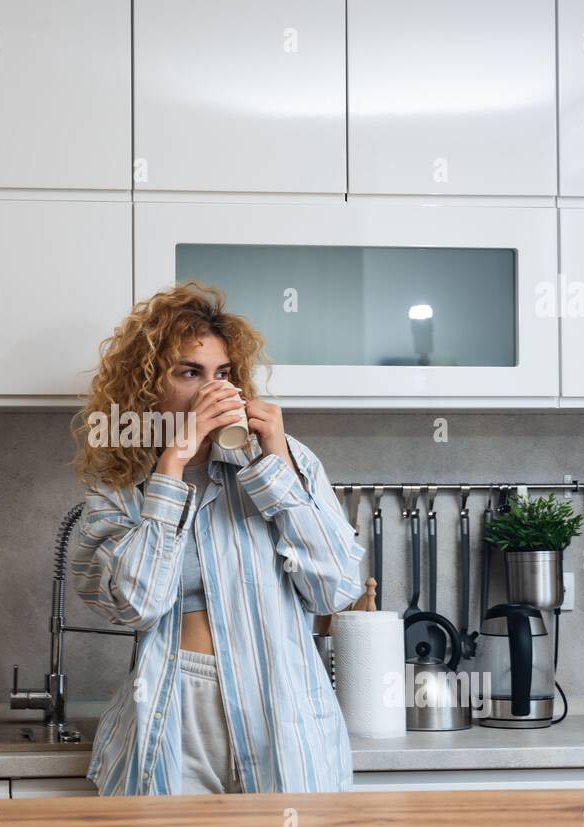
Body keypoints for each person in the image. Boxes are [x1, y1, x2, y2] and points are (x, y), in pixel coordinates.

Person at [69, 280, 366, 796]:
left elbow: (336, 589)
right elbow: (134, 604)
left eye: (223, 374)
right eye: (190, 372)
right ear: (148, 387)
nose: (214, 389)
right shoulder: (119, 484)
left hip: (282, 707)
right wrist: (172, 467)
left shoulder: (285, 459)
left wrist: (273, 462)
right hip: (175, 709)